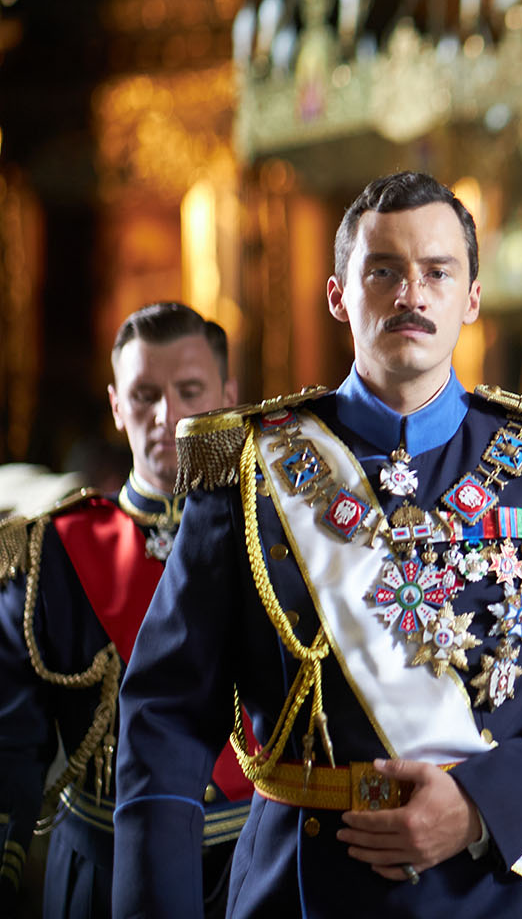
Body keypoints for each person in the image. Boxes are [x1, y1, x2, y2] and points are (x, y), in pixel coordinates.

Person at [111, 172, 522, 917]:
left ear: (471, 297)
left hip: (489, 888)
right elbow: (165, 723)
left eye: (437, 272)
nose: (412, 294)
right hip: (298, 888)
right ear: (339, 295)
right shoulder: (248, 471)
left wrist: (478, 804)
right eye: (384, 271)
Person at [0, 303, 252, 918]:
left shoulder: (281, 538)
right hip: (100, 871)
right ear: (116, 406)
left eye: (189, 391)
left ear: (228, 394)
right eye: (144, 395)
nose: (166, 416)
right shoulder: (49, 555)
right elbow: (9, 743)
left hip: (255, 859)